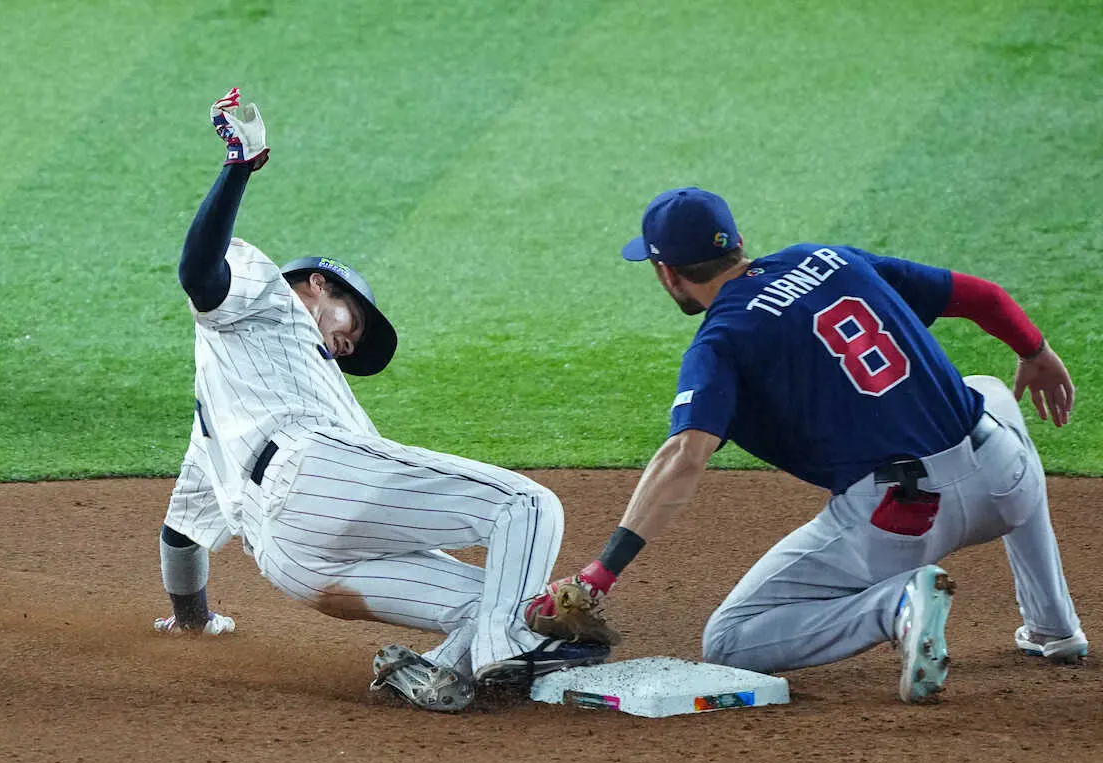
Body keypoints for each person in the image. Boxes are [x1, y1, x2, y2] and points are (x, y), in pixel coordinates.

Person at [528, 187, 1087, 702]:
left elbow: (684, 458)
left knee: (728, 639)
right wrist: (1034, 351)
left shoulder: (720, 341)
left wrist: (598, 574)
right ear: (739, 244)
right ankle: (1055, 628)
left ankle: (895, 606)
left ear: (666, 273)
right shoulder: (829, 257)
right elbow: (984, 297)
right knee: (986, 391)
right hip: (1003, 477)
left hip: (905, 522)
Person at [152, 87, 609, 711]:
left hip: (296, 566)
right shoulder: (270, 297)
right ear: (320, 284)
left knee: (502, 598)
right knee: (529, 507)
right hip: (311, 478)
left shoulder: (219, 421)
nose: (346, 346)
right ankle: (507, 643)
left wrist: (192, 619)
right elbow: (199, 276)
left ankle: (435, 671)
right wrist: (237, 169)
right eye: (354, 325)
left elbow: (181, 534)